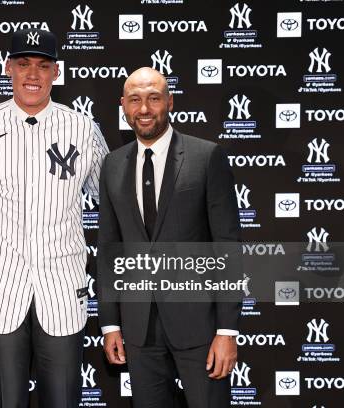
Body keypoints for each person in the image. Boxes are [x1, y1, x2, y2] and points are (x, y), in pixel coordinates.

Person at [0, 29, 109, 407]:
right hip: (0, 288)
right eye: (24, 64)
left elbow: (111, 197)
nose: (33, 74)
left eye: (43, 65)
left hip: (61, 286)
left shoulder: (83, 129)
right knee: (7, 401)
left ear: (56, 72)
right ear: (8, 68)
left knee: (62, 400)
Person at [97, 67, 242, 408]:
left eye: (153, 98)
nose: (144, 109)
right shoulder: (112, 165)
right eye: (135, 100)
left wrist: (227, 331)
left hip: (200, 327)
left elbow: (228, 248)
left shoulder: (206, 157)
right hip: (138, 329)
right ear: (124, 106)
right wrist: (109, 324)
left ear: (170, 102)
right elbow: (108, 250)